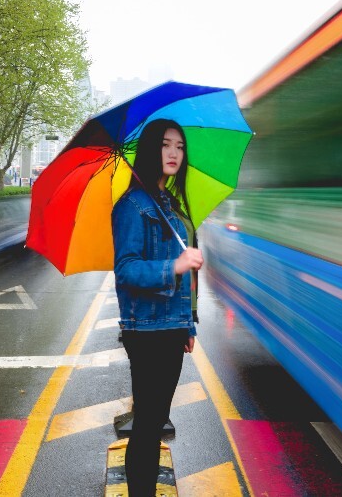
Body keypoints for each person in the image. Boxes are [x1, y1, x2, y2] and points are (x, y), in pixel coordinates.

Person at [112, 118, 204, 497]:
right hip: (147, 330)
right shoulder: (133, 205)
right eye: (166, 145)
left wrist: (189, 325)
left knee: (153, 420)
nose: (174, 153)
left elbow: (186, 284)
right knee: (149, 426)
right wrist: (176, 265)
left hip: (170, 328)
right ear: (152, 149)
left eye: (180, 147)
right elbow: (126, 269)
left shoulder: (169, 204)